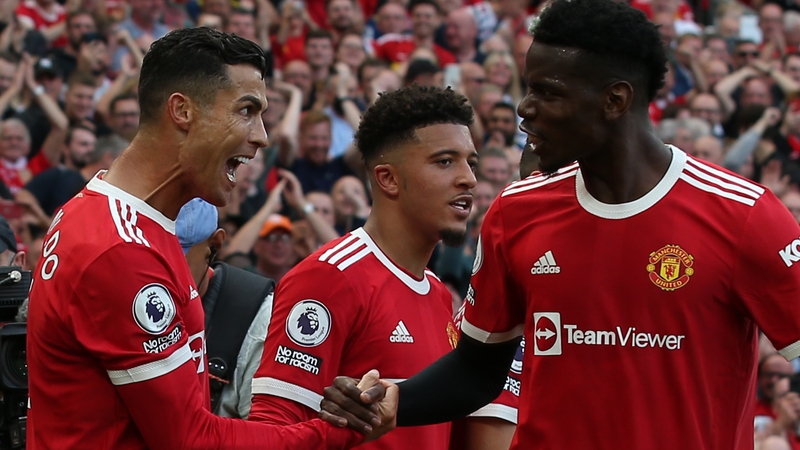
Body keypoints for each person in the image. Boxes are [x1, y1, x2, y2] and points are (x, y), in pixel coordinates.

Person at [320, 1, 800, 448]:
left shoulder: (741, 214)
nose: (525, 109)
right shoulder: (517, 210)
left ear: (614, 101)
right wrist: (398, 400)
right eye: (528, 88)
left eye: (547, 93)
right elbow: (477, 369)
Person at [26, 27, 396, 449]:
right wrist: (335, 434)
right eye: (246, 110)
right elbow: (193, 440)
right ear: (182, 111)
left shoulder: (122, 217)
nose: (261, 136)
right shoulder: (119, 249)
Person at [247, 85, 479, 450]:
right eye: (445, 161)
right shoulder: (330, 276)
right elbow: (273, 426)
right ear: (387, 179)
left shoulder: (437, 293)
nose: (468, 178)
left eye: (471, 162)